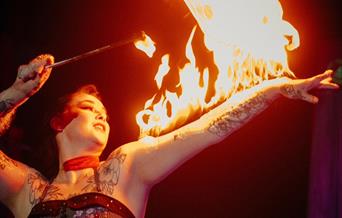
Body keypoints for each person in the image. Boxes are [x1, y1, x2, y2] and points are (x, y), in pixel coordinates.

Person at [0, 54, 339, 218]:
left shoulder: (127, 164)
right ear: (59, 123)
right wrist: (17, 92)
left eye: (103, 110)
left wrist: (274, 89)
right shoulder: (29, 191)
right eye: (89, 107)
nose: (101, 112)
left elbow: (209, 127)